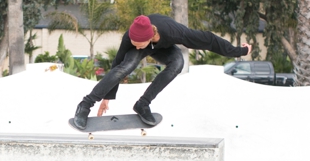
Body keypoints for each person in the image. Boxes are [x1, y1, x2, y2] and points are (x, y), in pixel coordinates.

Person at [73, 14, 252, 129]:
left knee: (177, 63)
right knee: (127, 65)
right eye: (133, 43)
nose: (134, 46)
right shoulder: (131, 37)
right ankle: (85, 105)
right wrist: (107, 97)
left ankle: (143, 104)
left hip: (163, 47)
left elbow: (209, 40)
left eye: (138, 44)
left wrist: (239, 51)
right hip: (148, 46)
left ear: (151, 35)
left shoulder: (175, 32)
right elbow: (118, 63)